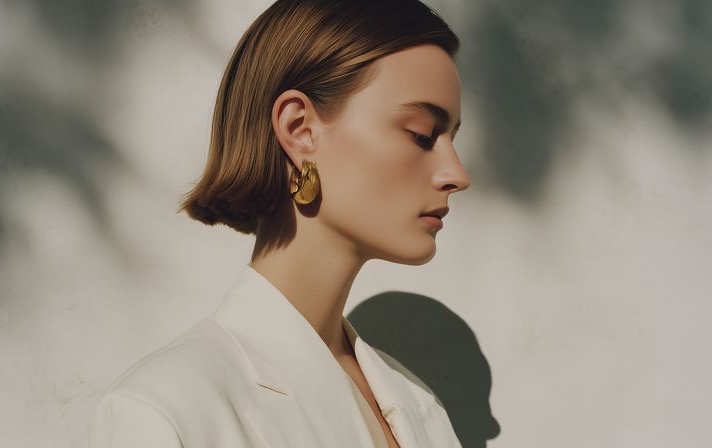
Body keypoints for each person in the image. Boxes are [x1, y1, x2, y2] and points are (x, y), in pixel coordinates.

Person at [89, 0, 470, 446]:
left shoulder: (419, 405)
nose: (456, 174)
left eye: (452, 138)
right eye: (423, 134)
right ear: (300, 129)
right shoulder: (167, 411)